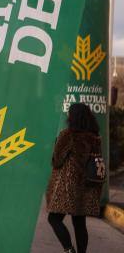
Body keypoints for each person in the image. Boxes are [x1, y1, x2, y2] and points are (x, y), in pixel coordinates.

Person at [45, 103, 103, 253]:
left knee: (54, 219)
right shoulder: (95, 138)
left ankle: (69, 250)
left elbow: (57, 160)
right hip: (87, 186)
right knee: (79, 223)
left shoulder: (67, 135)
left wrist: (56, 145)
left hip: (69, 187)